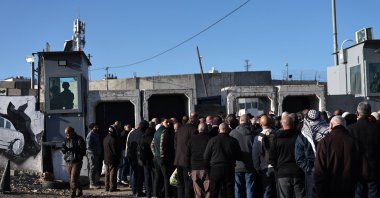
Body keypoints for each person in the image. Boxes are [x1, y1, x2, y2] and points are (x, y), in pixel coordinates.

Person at [314, 116, 359, 198]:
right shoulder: (354, 142)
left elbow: (319, 169)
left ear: (331, 125)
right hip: (349, 188)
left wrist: (319, 190)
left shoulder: (324, 142)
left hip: (328, 189)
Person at [347, 102, 380, 197]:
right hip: (375, 168)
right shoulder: (377, 127)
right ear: (370, 113)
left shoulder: (350, 129)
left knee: (358, 194)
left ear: (357, 113)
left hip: (357, 169)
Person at [269, 115, 305, 198]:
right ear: (293, 124)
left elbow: (272, 158)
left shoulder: (277, 139)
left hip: (283, 172)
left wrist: (277, 168)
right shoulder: (299, 137)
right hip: (298, 172)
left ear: (282, 125)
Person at [295, 109, 329, 198]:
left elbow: (299, 158)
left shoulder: (303, 135)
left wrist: (309, 170)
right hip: (326, 170)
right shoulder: (328, 132)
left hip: (314, 171)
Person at [204, 123, 242, 198]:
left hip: (215, 168)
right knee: (229, 191)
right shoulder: (233, 141)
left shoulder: (213, 140)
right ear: (228, 130)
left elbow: (206, 156)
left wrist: (208, 169)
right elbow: (239, 156)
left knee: (214, 192)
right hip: (229, 168)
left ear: (218, 130)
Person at [229, 114, 257, 198]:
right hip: (250, 164)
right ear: (249, 121)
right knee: (250, 188)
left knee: (237, 188)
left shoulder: (232, 133)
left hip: (237, 165)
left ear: (239, 121)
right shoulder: (254, 133)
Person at [174, 114, 199, 198]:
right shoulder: (194, 130)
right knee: (188, 184)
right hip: (187, 161)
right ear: (194, 120)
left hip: (178, 159)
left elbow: (175, 145)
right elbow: (195, 146)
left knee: (180, 184)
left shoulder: (179, 129)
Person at [252, 115, 276, 198]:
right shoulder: (277, 135)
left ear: (261, 124)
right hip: (277, 166)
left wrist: (257, 168)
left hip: (264, 167)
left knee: (267, 191)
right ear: (271, 123)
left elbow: (255, 155)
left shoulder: (258, 137)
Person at [151, 118, 175, 198]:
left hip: (156, 158)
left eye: (168, 122)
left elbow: (152, 145)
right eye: (166, 122)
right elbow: (162, 143)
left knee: (157, 176)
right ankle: (167, 195)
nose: (168, 123)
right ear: (162, 123)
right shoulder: (164, 131)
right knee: (166, 176)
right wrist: (161, 155)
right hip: (161, 158)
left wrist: (155, 154)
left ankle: (155, 194)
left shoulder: (156, 131)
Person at [187, 122, 211, 198]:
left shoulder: (191, 140)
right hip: (207, 168)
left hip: (195, 168)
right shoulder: (210, 139)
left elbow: (187, 155)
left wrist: (188, 169)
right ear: (207, 129)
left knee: (198, 192)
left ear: (198, 129)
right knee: (208, 191)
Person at [61, 126, 86, 198]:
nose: (67, 135)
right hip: (68, 161)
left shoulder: (79, 139)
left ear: (72, 132)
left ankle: (72, 194)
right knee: (73, 178)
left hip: (76, 162)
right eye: (66, 134)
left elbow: (83, 151)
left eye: (68, 133)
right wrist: (63, 149)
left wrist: (76, 151)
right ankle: (80, 191)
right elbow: (63, 149)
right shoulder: (66, 140)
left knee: (73, 179)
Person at [127, 120, 149, 197]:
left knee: (134, 174)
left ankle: (134, 190)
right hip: (140, 157)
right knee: (140, 175)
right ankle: (139, 191)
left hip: (132, 156)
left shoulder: (132, 133)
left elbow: (129, 145)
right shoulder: (143, 134)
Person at [103, 123, 121, 192]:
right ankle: (112, 188)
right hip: (112, 159)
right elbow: (115, 150)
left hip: (106, 159)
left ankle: (106, 187)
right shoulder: (113, 139)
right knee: (112, 174)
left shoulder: (105, 138)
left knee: (107, 174)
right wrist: (118, 156)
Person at [86, 123, 102, 189]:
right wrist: (95, 152)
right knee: (92, 168)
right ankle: (92, 184)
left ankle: (94, 182)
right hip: (92, 154)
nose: (97, 128)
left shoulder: (95, 135)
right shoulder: (90, 136)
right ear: (92, 128)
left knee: (95, 168)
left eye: (97, 127)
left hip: (96, 154)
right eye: (95, 127)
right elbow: (89, 147)